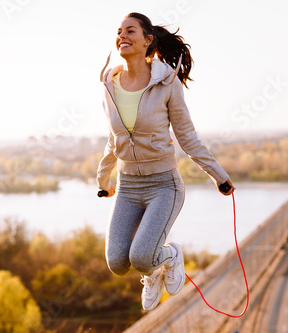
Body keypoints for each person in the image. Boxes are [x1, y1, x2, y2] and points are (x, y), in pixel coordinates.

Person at [96, 12, 235, 311]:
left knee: (142, 256)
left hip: (164, 186)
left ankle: (169, 256)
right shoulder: (109, 83)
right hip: (128, 186)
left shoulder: (167, 82)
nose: (122, 35)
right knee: (117, 263)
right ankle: (153, 271)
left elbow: (188, 138)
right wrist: (102, 180)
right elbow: (113, 140)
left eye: (130, 31)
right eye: (119, 31)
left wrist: (219, 176)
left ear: (148, 40)